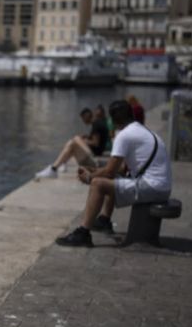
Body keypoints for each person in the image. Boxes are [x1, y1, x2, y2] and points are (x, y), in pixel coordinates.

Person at [55, 100, 172, 247]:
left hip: (152, 187)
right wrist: (94, 170)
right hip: (161, 186)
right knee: (113, 179)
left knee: (98, 184)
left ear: (113, 120)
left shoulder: (124, 135)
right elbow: (121, 169)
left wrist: (91, 177)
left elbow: (109, 172)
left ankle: (83, 233)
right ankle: (104, 220)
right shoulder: (143, 131)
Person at [34, 106, 109, 179]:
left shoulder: (96, 125)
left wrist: (83, 141)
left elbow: (95, 143)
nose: (83, 121)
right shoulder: (98, 123)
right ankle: (58, 166)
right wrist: (87, 137)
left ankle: (55, 168)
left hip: (93, 160)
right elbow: (96, 140)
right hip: (92, 156)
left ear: (86, 116)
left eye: (83, 119)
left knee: (75, 140)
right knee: (72, 143)